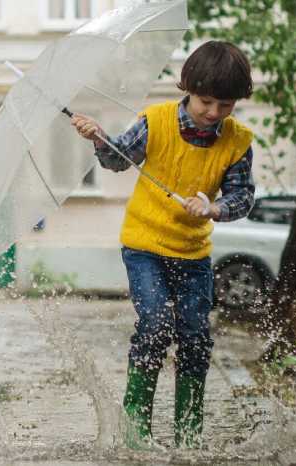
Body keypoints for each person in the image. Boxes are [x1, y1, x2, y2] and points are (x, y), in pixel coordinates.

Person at [71, 40, 255, 449]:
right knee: (154, 327)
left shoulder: (238, 141)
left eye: (226, 105)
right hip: (145, 247)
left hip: (193, 254)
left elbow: (243, 197)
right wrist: (99, 138)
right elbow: (117, 160)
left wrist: (216, 208)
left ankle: (188, 438)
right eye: (206, 101)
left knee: (195, 337)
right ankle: (137, 435)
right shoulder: (155, 122)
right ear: (187, 87)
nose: (214, 113)